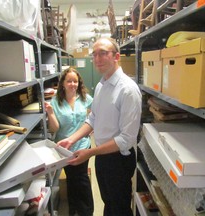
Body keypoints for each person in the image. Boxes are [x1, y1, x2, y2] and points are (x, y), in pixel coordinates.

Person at [57, 37, 142, 216]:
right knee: (109, 203)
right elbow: (93, 118)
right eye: (94, 54)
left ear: (116, 56)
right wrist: (71, 139)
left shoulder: (127, 90)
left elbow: (127, 139)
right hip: (103, 156)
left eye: (103, 53)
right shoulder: (101, 86)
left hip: (118, 160)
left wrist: (90, 153)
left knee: (119, 208)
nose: (97, 59)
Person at [44, 67, 94, 216]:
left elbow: (95, 114)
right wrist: (51, 113)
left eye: (75, 81)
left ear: (79, 83)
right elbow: (55, 128)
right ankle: (74, 208)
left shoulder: (85, 98)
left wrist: (92, 128)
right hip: (65, 149)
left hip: (83, 146)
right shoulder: (55, 102)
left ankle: (86, 211)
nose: (73, 84)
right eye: (69, 81)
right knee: (72, 179)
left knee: (82, 179)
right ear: (63, 84)